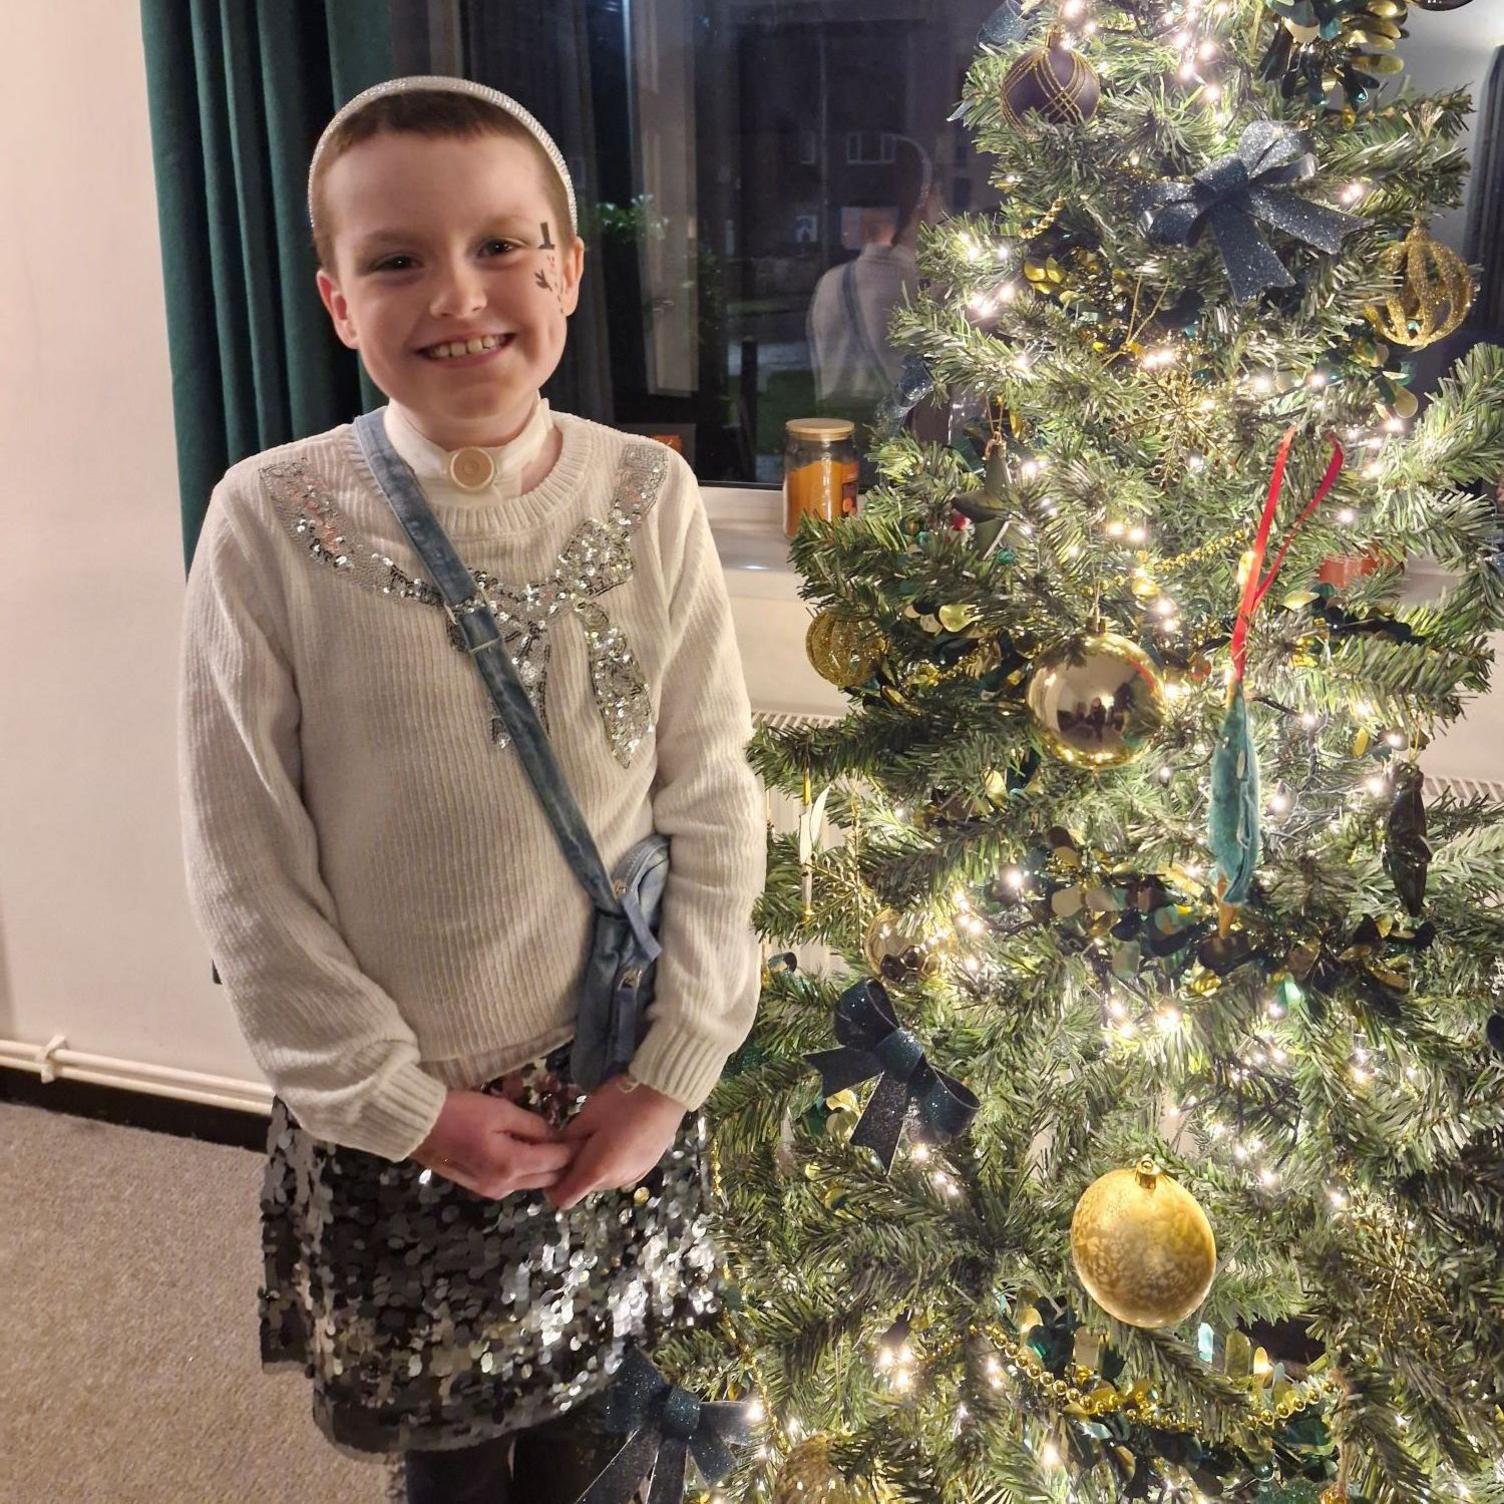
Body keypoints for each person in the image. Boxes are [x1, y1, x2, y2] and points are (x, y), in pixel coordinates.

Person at [176, 75, 766, 1503]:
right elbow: (245, 869)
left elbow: (710, 796)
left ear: (566, 267)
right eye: (396, 259)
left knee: (608, 1444)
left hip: (618, 1085)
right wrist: (397, 1102)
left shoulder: (647, 497)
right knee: (454, 1471)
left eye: (505, 245)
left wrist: (673, 1069)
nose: (461, 293)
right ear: (335, 299)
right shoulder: (268, 519)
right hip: (412, 1123)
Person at [806, 136, 944, 446]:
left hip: (832, 439)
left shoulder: (830, 281)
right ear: (923, 204)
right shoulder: (922, 284)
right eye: (939, 196)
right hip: (898, 448)